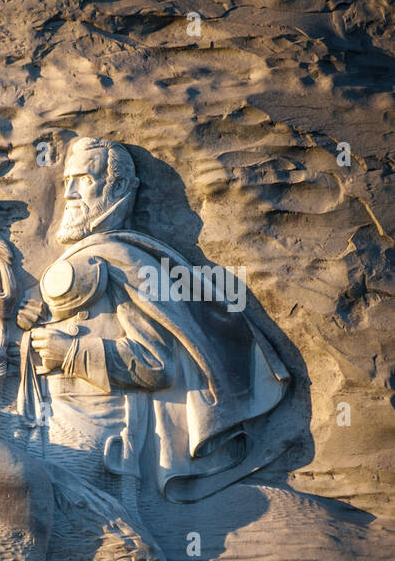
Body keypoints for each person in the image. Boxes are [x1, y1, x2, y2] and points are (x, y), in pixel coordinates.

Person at [25, 136, 289, 508]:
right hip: (52, 426)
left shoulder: (127, 261)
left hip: (102, 442)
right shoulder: (89, 256)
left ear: (116, 187)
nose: (68, 192)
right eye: (66, 180)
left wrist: (72, 353)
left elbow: (157, 366)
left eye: (82, 178)